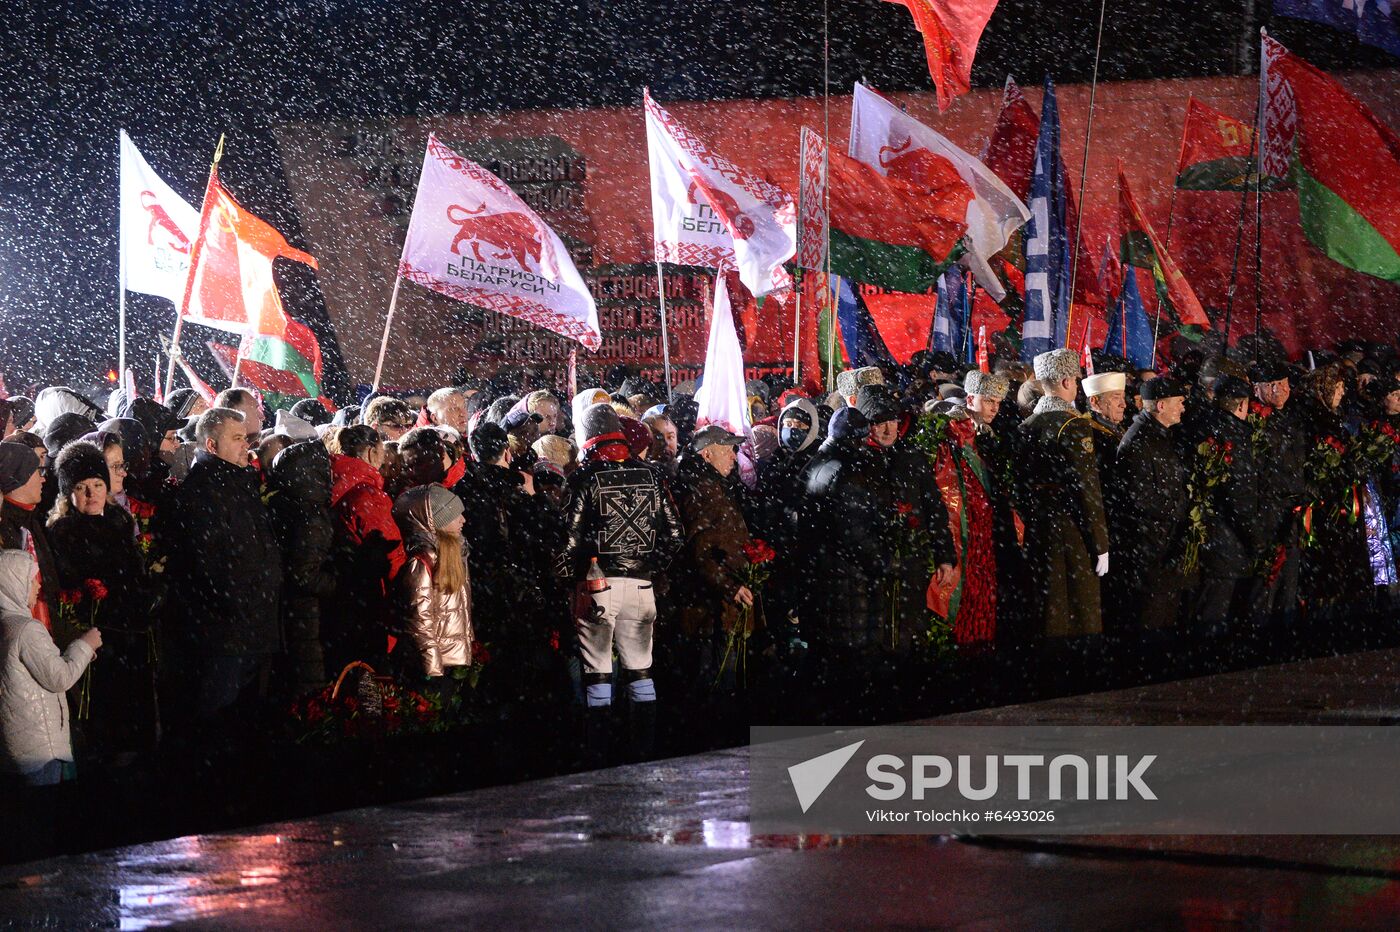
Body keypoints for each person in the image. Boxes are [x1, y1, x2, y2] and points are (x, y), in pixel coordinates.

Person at [555, 402, 683, 759]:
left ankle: (600, 752)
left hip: (596, 586)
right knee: (641, 671)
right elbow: (675, 535)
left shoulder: (583, 477)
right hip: (641, 586)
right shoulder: (652, 475)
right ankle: (643, 750)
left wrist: (567, 579)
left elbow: (568, 540)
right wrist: (649, 567)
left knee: (597, 674)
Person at [161, 407, 282, 731]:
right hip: (224, 636)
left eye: (248, 438)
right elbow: (208, 566)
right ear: (212, 445)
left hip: (250, 631)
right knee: (218, 727)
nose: (247, 446)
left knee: (245, 726)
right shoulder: (203, 493)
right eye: (238, 438)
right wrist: (241, 606)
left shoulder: (238, 484)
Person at [45, 441, 157, 762]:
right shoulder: (63, 532)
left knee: (135, 723)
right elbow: (70, 589)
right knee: (105, 726)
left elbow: (134, 572)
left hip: (131, 635)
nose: (92, 494)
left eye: (97, 485)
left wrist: (147, 593)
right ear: (69, 493)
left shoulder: (119, 520)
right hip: (96, 642)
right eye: (81, 487)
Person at [1016, 348, 1110, 638]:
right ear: (1068, 382)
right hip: (1070, 527)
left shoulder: (1027, 425)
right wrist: (1100, 543)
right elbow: (1087, 488)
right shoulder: (1073, 425)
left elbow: (1020, 485)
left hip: (1038, 525)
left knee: (1048, 603)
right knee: (1080, 605)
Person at [0, 550, 101, 786]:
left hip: (14, 746)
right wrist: (86, 645)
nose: (37, 586)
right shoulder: (26, 629)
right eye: (31, 579)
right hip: (38, 748)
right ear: (15, 583)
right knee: (41, 815)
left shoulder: (6, 627)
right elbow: (59, 677)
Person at [670, 425, 755, 696]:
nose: (734, 455)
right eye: (728, 449)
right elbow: (699, 552)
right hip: (708, 609)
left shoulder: (712, 486)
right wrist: (730, 586)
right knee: (713, 682)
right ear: (707, 455)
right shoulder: (704, 490)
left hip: (712, 604)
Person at [1110, 377, 1191, 634]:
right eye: (1179, 402)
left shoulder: (1161, 436)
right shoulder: (1139, 443)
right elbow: (1140, 498)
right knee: (1150, 620)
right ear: (1161, 406)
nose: (1183, 408)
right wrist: (1182, 509)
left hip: (1163, 546)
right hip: (1148, 549)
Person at [1190, 375, 1264, 641]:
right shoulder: (1236, 437)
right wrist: (1256, 537)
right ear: (1242, 405)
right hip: (1228, 539)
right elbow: (1240, 495)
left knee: (1208, 605)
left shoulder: (1200, 426)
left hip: (1206, 533)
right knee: (1217, 610)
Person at [327, 425, 406, 671]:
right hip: (369, 600)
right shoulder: (369, 495)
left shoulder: (330, 480)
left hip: (340, 599)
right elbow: (391, 553)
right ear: (372, 453)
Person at [392, 484, 472, 705]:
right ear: (435, 523)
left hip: (453, 662)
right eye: (455, 515)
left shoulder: (454, 553)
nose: (463, 520)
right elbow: (420, 622)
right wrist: (433, 671)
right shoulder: (421, 564)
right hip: (435, 670)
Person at [268, 441, 337, 696]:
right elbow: (304, 575)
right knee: (312, 687)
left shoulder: (283, 505)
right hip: (308, 617)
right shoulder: (310, 517)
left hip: (291, 616)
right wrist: (342, 583)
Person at [0, 442, 59, 628]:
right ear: (20, 479)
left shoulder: (30, 519)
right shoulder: (6, 528)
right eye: (37, 472)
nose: (43, 479)